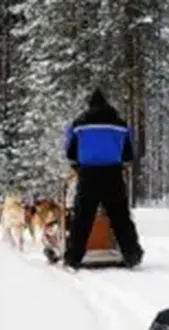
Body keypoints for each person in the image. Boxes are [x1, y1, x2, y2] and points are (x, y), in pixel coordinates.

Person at [63, 88, 144, 268]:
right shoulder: (120, 125)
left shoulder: (79, 124)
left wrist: (77, 164)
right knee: (120, 217)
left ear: (90, 105)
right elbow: (129, 154)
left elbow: (70, 151)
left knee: (83, 218)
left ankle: (73, 258)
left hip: (88, 174)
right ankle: (132, 254)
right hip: (113, 174)